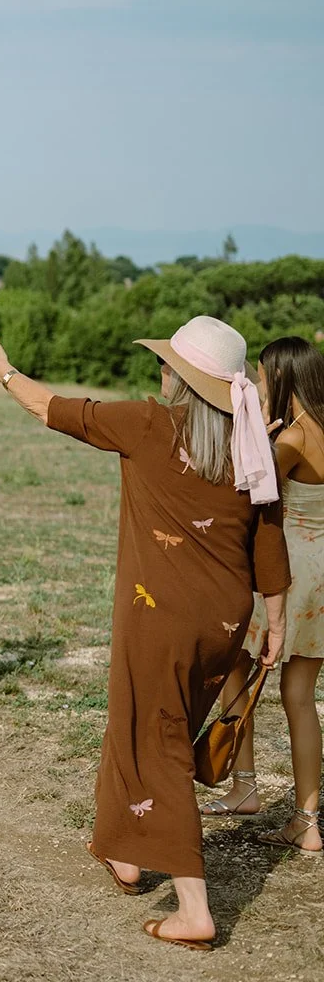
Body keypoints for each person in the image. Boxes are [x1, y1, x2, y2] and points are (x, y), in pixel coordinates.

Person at [0, 315, 289, 950]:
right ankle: (124, 850)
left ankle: (193, 906)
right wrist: (275, 623)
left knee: (159, 739)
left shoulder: (149, 424)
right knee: (138, 718)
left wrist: (5, 372)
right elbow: (269, 544)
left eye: (167, 365)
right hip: (225, 620)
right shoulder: (253, 444)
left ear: (183, 380)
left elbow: (54, 409)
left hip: (159, 615)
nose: (160, 371)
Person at [200, 336, 322, 854]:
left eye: (264, 376)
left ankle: (244, 786)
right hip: (322, 574)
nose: (259, 383)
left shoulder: (293, 439)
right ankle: (307, 820)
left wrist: (256, 439)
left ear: (284, 377)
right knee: (301, 696)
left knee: (237, 664)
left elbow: (249, 484)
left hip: (288, 569)